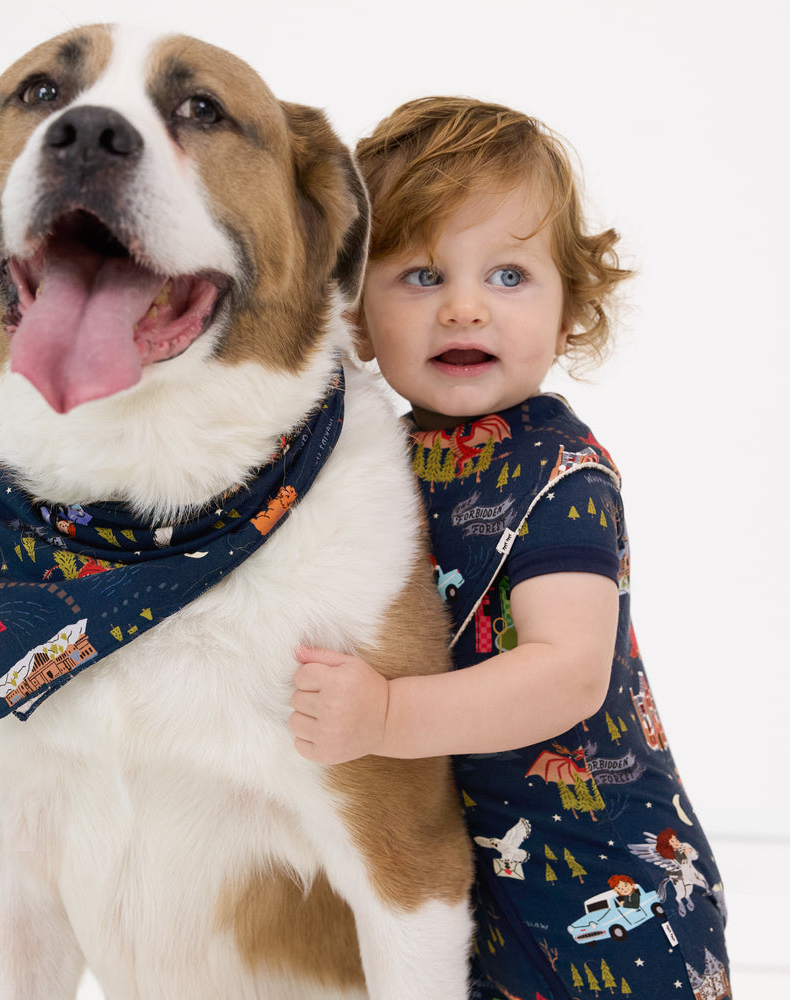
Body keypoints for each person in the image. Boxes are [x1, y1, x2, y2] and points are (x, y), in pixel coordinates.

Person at [289, 97, 730, 999]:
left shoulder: (560, 472)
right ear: (357, 315)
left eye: (508, 277)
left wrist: (384, 718)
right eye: (418, 276)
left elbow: (570, 671)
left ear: (571, 310)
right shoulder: (378, 458)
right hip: (480, 897)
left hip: (610, 887)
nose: (461, 308)